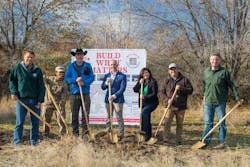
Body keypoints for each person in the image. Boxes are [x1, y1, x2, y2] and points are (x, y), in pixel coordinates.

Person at [201, 53, 241, 149]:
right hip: (208, 102)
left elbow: (232, 85)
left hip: (220, 102)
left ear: (219, 61)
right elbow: (205, 85)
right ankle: (204, 142)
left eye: (217, 59)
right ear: (210, 60)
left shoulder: (224, 72)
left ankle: (221, 143)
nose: (215, 61)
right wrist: (204, 96)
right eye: (213, 59)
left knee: (221, 123)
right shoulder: (206, 72)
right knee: (208, 123)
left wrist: (237, 98)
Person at [9, 51, 45, 146]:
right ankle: (17, 142)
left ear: (34, 58)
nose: (29, 59)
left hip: (34, 101)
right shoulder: (18, 68)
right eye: (28, 57)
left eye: (31, 57)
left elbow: (41, 87)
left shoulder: (37, 70)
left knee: (35, 123)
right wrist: (13, 92)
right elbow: (12, 81)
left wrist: (40, 101)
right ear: (24, 57)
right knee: (20, 122)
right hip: (21, 100)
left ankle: (34, 142)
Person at [159, 63, 193, 145]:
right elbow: (160, 92)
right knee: (167, 123)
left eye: (174, 69)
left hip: (181, 106)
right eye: (171, 69)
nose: (173, 71)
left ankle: (178, 140)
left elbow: (190, 90)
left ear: (178, 69)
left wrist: (181, 88)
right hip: (169, 106)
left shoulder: (184, 80)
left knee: (179, 124)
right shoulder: (166, 81)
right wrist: (167, 99)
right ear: (169, 71)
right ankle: (166, 139)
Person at [65, 49, 95, 137]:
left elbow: (92, 77)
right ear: (75, 56)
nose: (80, 56)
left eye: (81, 54)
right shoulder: (70, 66)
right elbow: (67, 78)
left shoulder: (87, 65)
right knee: (74, 115)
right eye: (78, 54)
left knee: (85, 114)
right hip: (74, 93)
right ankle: (75, 134)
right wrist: (75, 80)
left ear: (83, 56)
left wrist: (84, 82)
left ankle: (85, 134)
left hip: (85, 93)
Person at [101, 60, 127, 141]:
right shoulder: (107, 75)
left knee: (119, 117)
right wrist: (106, 82)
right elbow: (102, 87)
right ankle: (108, 132)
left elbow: (122, 88)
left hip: (118, 100)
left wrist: (114, 96)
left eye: (114, 64)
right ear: (109, 65)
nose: (113, 66)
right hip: (108, 100)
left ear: (117, 65)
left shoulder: (122, 76)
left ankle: (120, 134)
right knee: (109, 117)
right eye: (111, 64)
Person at [133, 68, 159, 141]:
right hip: (143, 104)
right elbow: (135, 89)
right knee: (145, 118)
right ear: (142, 74)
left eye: (147, 72)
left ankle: (145, 134)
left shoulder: (153, 82)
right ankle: (148, 135)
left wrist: (145, 97)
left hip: (152, 103)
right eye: (144, 73)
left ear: (149, 73)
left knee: (144, 113)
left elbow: (154, 94)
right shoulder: (141, 81)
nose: (145, 74)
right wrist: (139, 83)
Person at [42, 66, 68, 135]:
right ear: (56, 73)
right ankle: (45, 133)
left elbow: (64, 96)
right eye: (60, 72)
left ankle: (63, 134)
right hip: (48, 102)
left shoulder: (64, 83)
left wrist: (61, 105)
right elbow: (41, 79)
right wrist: (43, 78)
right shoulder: (50, 79)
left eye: (63, 72)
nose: (61, 74)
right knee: (46, 118)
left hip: (59, 103)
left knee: (61, 118)